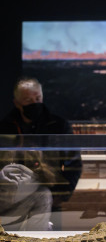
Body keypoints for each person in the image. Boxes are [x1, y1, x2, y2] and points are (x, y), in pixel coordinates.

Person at [0, 77, 82, 230]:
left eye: (37, 98)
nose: (35, 103)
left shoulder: (59, 126)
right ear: (17, 103)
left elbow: (74, 164)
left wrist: (61, 195)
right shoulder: (5, 128)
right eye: (28, 100)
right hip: (11, 202)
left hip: (52, 198)